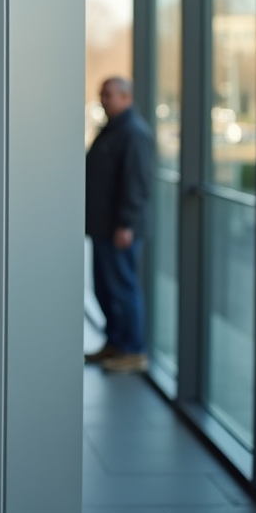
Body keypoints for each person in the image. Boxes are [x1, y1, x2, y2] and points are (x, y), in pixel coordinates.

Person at [84, 77, 153, 374]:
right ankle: (115, 342)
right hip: (103, 227)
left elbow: (136, 184)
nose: (103, 100)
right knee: (104, 288)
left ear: (126, 96)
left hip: (119, 229)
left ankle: (133, 350)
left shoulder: (133, 133)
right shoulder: (113, 129)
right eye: (102, 95)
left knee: (123, 289)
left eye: (109, 95)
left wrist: (125, 223)